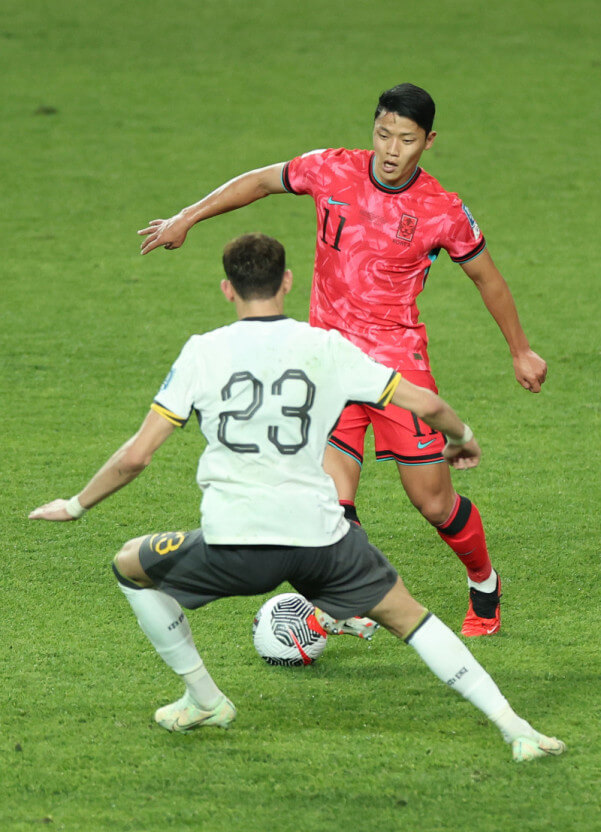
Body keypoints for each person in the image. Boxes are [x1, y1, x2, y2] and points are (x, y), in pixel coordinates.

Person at [30, 233, 564, 763]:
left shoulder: (203, 351)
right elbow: (423, 399)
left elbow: (135, 458)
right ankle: (516, 729)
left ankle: (204, 697)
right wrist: (460, 436)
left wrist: (75, 505)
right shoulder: (324, 346)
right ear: (287, 282)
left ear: (227, 289)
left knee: (130, 565)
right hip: (323, 539)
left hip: (234, 545)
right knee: (411, 618)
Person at [137, 84, 548, 637]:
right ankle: (356, 602)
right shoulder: (330, 170)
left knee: (433, 503)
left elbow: (486, 277)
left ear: (428, 141)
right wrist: (188, 215)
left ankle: (484, 582)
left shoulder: (442, 210)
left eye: (406, 139)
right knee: (331, 500)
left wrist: (520, 350)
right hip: (329, 365)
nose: (391, 149)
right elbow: (260, 180)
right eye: (383, 134)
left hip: (397, 366)